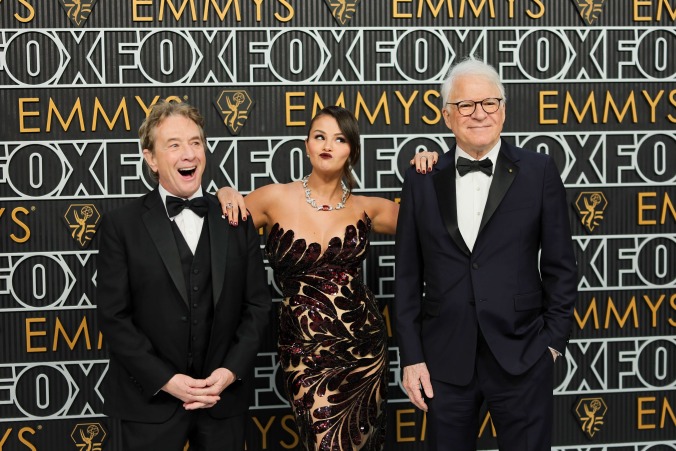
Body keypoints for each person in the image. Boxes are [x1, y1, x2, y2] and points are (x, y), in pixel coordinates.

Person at [216, 105, 437, 450]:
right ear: (306, 145)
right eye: (319, 136)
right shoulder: (273, 198)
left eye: (339, 138)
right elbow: (213, 231)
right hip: (303, 351)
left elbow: (436, 226)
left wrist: (432, 168)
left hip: (363, 349)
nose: (327, 145)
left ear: (352, 151)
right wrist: (225, 193)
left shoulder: (368, 208)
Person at [394, 56, 578, 451]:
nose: (479, 114)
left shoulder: (539, 171)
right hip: (442, 362)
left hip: (523, 355)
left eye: (489, 103)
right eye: (465, 105)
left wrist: (551, 344)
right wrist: (411, 358)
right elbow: (407, 277)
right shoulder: (422, 177)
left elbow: (562, 266)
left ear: (504, 109)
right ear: (447, 116)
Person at [96, 101, 271, 451]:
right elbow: (114, 317)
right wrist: (167, 380)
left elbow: (258, 306)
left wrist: (229, 373)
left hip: (222, 402)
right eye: (173, 145)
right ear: (151, 158)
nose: (188, 154)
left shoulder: (236, 219)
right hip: (150, 403)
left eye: (195, 142)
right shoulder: (121, 226)